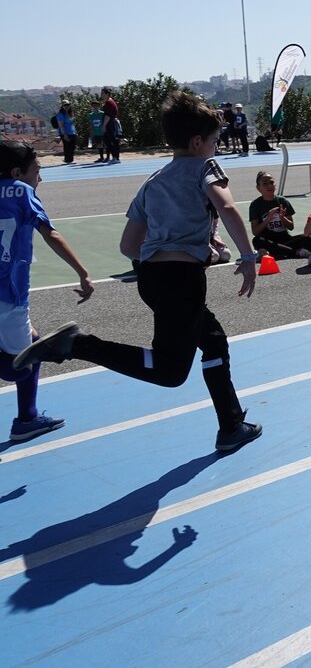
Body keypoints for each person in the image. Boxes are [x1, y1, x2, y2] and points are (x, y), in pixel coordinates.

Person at [13, 92, 263, 453]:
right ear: (197, 143)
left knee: (211, 339)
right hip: (181, 281)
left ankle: (231, 424)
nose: (216, 149)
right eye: (213, 142)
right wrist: (247, 255)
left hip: (151, 277)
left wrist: (181, 246)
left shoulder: (153, 180)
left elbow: (129, 247)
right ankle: (79, 345)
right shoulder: (205, 167)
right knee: (169, 372)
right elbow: (226, 205)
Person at [0, 140, 94, 443]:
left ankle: (27, 417)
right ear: (17, 171)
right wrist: (82, 272)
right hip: (9, 294)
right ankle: (26, 418)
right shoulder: (21, 191)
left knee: (36, 344)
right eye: (36, 171)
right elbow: (50, 232)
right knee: (19, 367)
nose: (39, 179)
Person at [248, 171, 311, 260]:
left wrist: (282, 218)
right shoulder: (255, 205)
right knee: (257, 240)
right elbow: (255, 232)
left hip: (285, 239)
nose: (269, 186)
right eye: (265, 184)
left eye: (271, 182)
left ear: (275, 184)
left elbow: (291, 227)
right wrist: (268, 219)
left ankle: (277, 252)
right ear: (258, 188)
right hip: (269, 240)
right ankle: (295, 252)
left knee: (310, 236)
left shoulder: (282, 201)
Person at [99, 86, 121, 164]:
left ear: (107, 94)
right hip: (110, 123)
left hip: (110, 124)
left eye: (102, 93)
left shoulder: (109, 102)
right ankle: (115, 157)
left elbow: (108, 116)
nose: (101, 94)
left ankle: (116, 157)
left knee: (111, 141)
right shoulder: (109, 101)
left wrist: (104, 126)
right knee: (109, 141)